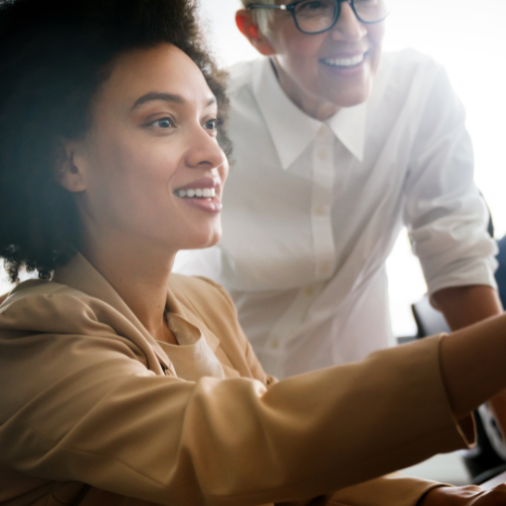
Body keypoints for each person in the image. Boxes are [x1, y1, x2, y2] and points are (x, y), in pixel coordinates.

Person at [2, 1, 506, 505]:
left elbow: (299, 486)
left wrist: (450, 501)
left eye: (210, 122)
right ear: (67, 162)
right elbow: (249, 446)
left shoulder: (206, 305)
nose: (213, 155)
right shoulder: (30, 344)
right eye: (162, 122)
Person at [175, 0, 506, 417]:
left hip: (363, 417)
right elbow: (175, 284)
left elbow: (457, 264)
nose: (352, 30)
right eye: (314, 7)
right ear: (256, 32)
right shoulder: (211, 122)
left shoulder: (417, 92)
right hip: (234, 415)